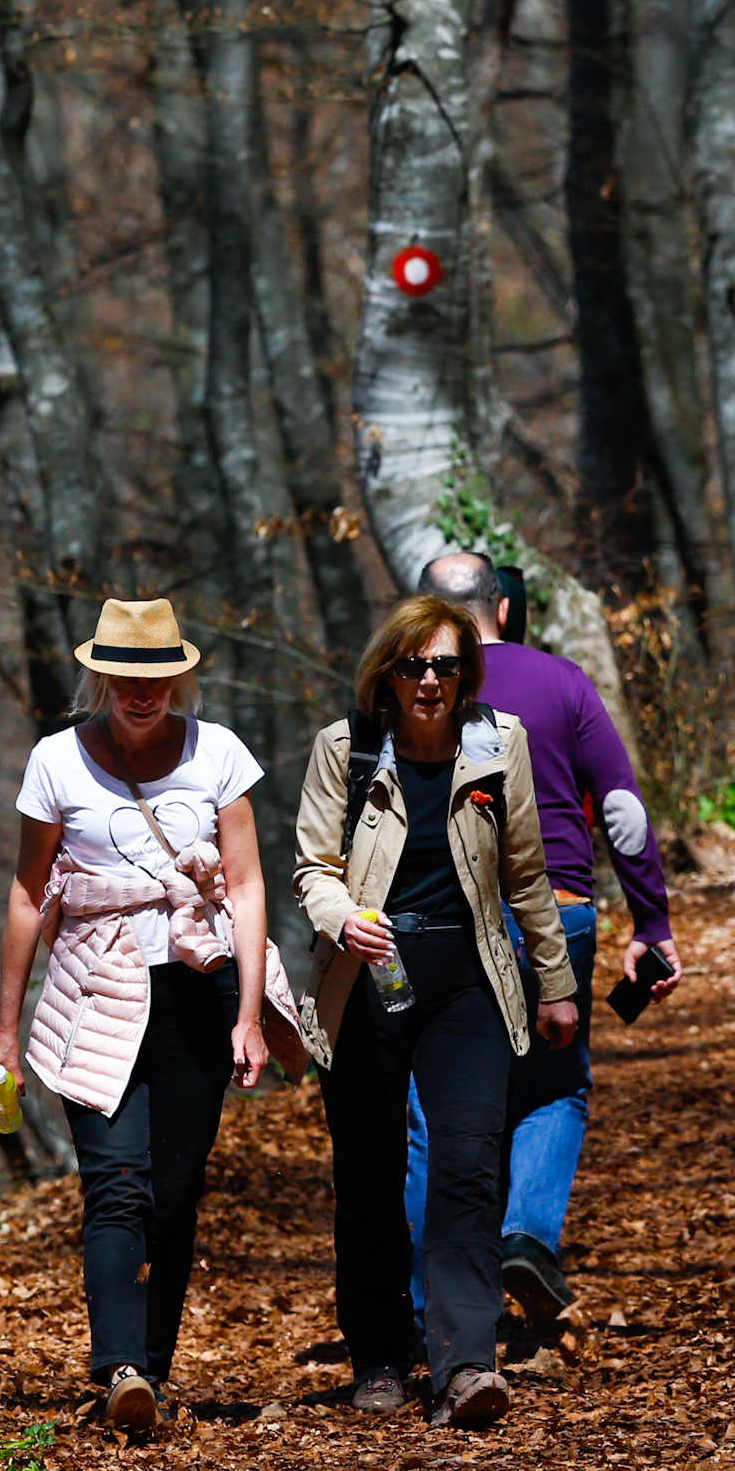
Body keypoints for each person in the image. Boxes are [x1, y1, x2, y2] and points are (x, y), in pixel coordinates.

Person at [0, 598, 272, 1438]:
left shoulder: (219, 754)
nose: (142, 693)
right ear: (101, 676)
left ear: (177, 675)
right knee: (115, 1183)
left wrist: (248, 1015)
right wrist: (6, 1031)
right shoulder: (56, 761)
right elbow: (30, 892)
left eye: (157, 677)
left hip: (194, 988)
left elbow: (246, 887)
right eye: (125, 677)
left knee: (174, 1196)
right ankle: (120, 1369)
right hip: (96, 989)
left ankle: (154, 1366)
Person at [284, 595, 576, 1428]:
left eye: (446, 665)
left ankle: (464, 1363)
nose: (430, 681)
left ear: (466, 671)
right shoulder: (344, 748)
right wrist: (345, 919)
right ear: (389, 670)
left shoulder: (500, 743)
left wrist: (554, 984)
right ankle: (378, 1355)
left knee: (465, 1164)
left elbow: (526, 874)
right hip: (367, 982)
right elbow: (312, 866)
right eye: (414, 665)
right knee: (371, 1174)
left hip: (468, 980)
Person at [410, 551, 682, 1327]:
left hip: (444, 918)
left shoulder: (409, 688)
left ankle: (430, 1303)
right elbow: (622, 810)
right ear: (501, 608)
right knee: (552, 1088)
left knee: (434, 1113)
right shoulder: (562, 681)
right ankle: (527, 1238)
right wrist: (651, 922)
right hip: (556, 915)